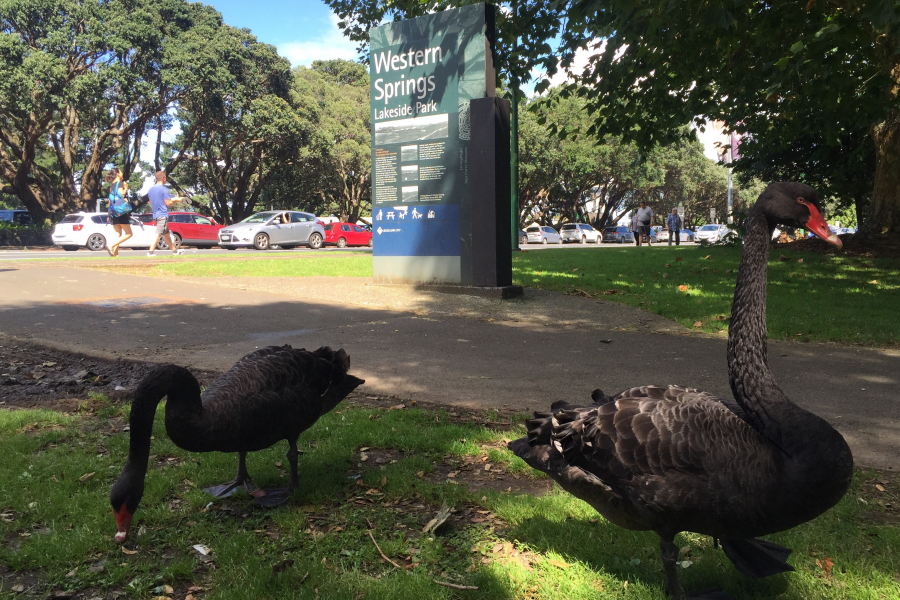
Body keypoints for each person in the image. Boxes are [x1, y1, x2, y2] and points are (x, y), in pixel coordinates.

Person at [146, 171, 184, 257]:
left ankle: (175, 252)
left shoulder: (151, 189)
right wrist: (174, 200)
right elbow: (168, 203)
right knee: (158, 233)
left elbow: (150, 202)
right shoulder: (164, 189)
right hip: (162, 214)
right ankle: (150, 252)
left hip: (155, 214)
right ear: (164, 178)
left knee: (167, 235)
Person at [105, 168, 132, 257]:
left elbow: (110, 201)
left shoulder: (112, 186)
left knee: (118, 234)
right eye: (120, 172)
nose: (122, 173)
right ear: (117, 174)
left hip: (114, 212)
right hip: (121, 211)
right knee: (129, 233)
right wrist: (126, 188)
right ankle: (111, 245)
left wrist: (109, 214)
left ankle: (115, 255)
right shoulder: (120, 184)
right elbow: (122, 194)